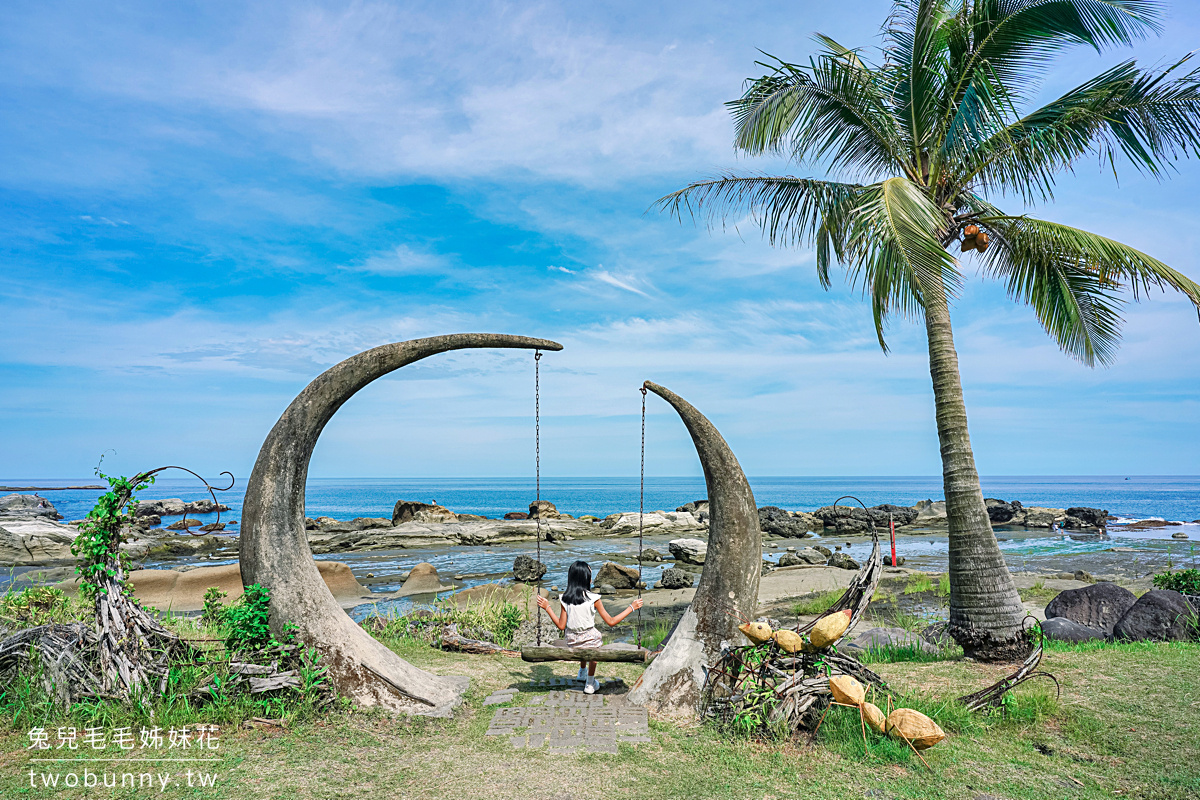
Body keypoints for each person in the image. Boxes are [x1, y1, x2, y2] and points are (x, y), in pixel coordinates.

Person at [535, 560, 643, 694]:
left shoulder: (565, 598)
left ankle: (582, 671)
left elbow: (561, 625)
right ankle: (590, 683)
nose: (592, 577)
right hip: (589, 642)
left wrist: (547, 607)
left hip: (572, 642)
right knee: (593, 640)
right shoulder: (594, 598)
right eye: (590, 574)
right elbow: (611, 621)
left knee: (580, 635)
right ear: (585, 578)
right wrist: (632, 607)